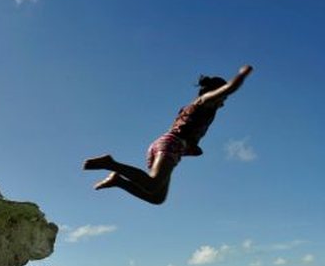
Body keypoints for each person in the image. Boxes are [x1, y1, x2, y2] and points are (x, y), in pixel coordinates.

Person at [83, 64, 254, 205]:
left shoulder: (198, 107)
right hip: (171, 144)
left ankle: (118, 181)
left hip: (169, 147)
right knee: (153, 182)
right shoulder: (204, 102)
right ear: (214, 93)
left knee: (156, 197)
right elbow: (229, 88)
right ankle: (110, 163)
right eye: (223, 99)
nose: (223, 104)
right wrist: (243, 73)